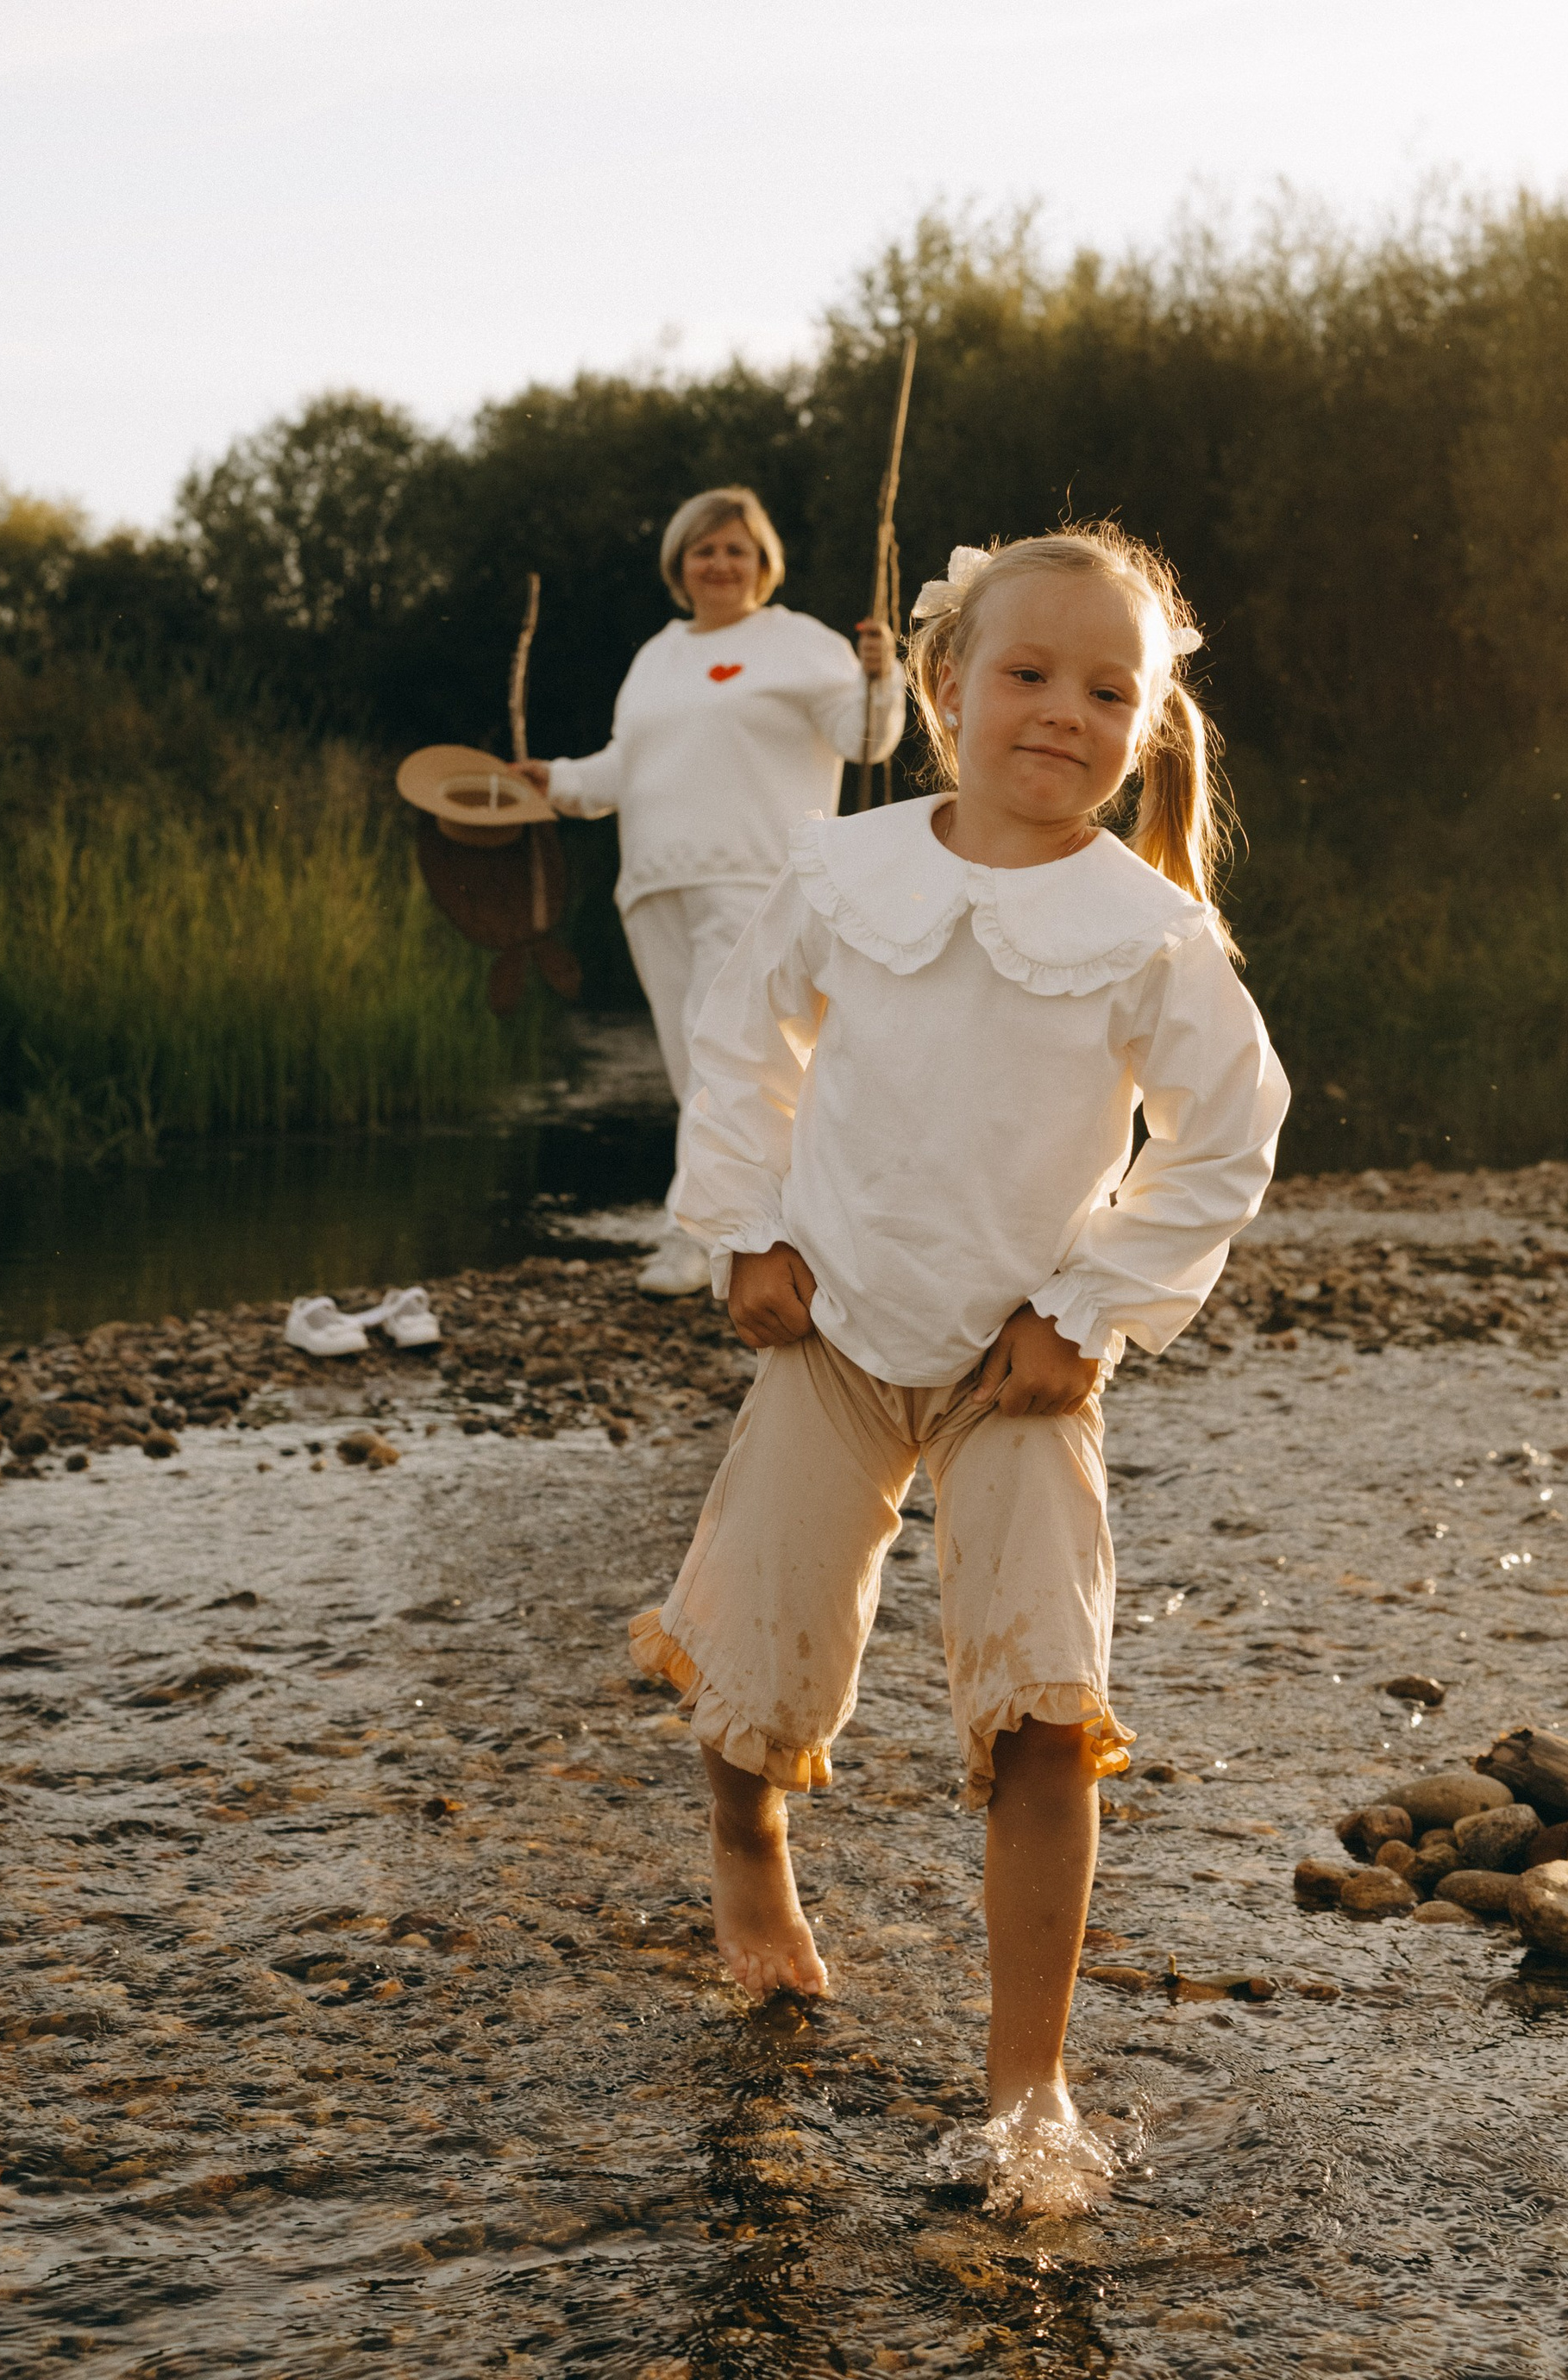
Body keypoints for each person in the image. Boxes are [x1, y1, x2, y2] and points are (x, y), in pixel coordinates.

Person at [628, 521, 1290, 2208]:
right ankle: (745, 1848)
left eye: (1102, 687)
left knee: (1045, 1711)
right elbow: (737, 1037)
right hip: (836, 1325)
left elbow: (1223, 1139)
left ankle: (1026, 2089)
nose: (1059, 710)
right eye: (1026, 673)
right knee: (757, 1649)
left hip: (1018, 1367)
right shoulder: (842, 868)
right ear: (940, 685)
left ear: (1144, 725)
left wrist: (1084, 1311)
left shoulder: (1149, 931)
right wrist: (745, 1232)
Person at [521, 485, 902, 1294]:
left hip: (759, 877)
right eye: (704, 549)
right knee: (692, 1062)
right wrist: (550, 780)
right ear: (679, 565)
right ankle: (769, 1230)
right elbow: (623, 768)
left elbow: (865, 737)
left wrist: (885, 676)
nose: (720, 563)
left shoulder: (802, 642)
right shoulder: (656, 656)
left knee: (719, 1055)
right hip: (656, 884)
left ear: (764, 563)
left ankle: (699, 1239)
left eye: (737, 549)